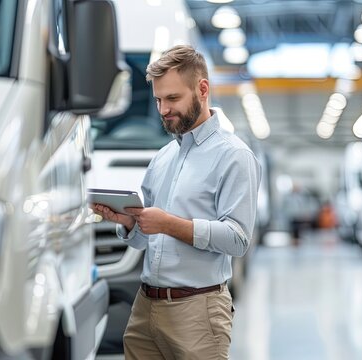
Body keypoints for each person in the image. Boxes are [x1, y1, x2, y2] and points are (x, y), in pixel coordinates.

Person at [91, 45, 261, 360]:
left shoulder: (234, 156)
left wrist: (169, 224)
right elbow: (145, 240)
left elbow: (237, 239)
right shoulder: (163, 157)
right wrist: (130, 223)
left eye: (172, 99)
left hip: (197, 312)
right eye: (158, 100)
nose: (163, 110)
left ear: (203, 89)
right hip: (145, 309)